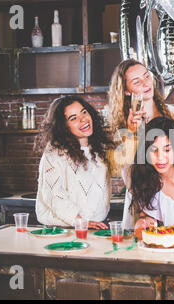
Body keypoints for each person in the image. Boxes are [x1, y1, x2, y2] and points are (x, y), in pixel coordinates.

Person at [107, 59, 174, 229]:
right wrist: (132, 134)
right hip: (144, 206)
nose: (146, 83)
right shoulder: (125, 125)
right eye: (137, 82)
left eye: (146, 76)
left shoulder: (173, 112)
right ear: (127, 91)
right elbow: (128, 172)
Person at [34, 96, 114, 229]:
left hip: (94, 229)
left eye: (84, 112)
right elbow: (54, 195)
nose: (83, 119)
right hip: (61, 231)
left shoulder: (101, 149)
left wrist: (135, 129)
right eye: (73, 118)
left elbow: (128, 166)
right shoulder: (54, 153)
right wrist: (79, 221)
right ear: (63, 126)